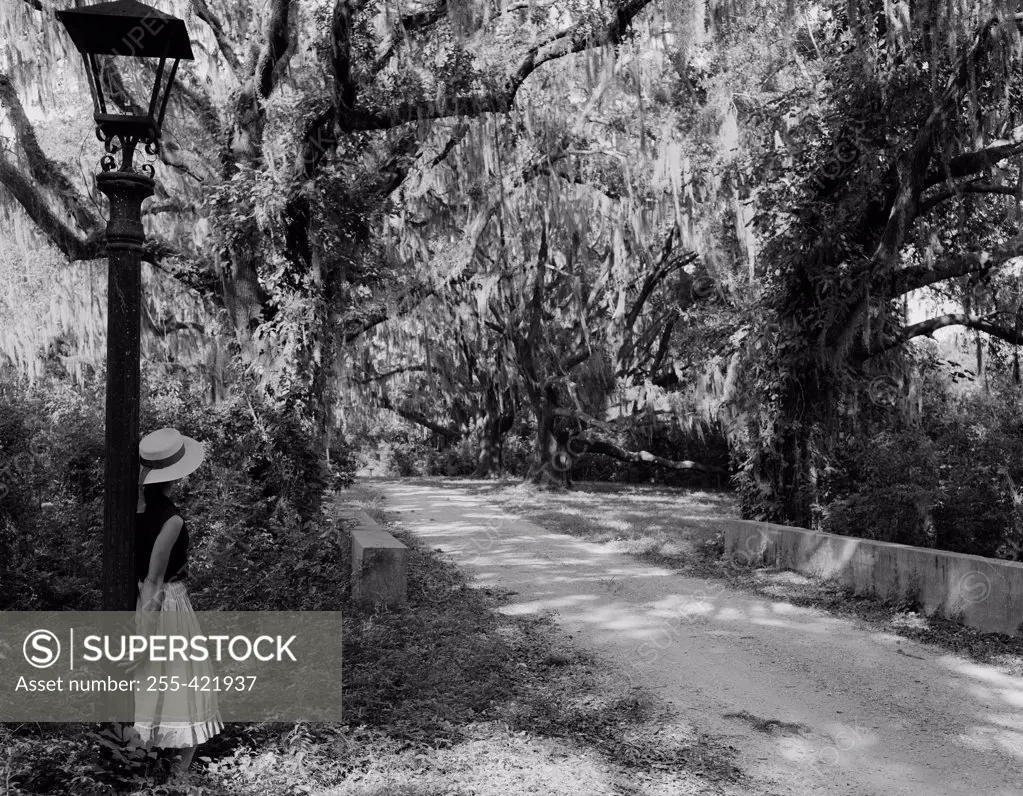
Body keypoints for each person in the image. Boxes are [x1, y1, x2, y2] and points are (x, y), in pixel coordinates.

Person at [132, 427, 223, 779]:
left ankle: (148, 768)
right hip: (162, 604)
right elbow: (155, 578)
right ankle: (176, 777)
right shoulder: (171, 519)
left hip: (139, 597)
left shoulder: (135, 508)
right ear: (176, 475)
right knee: (186, 685)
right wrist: (144, 632)